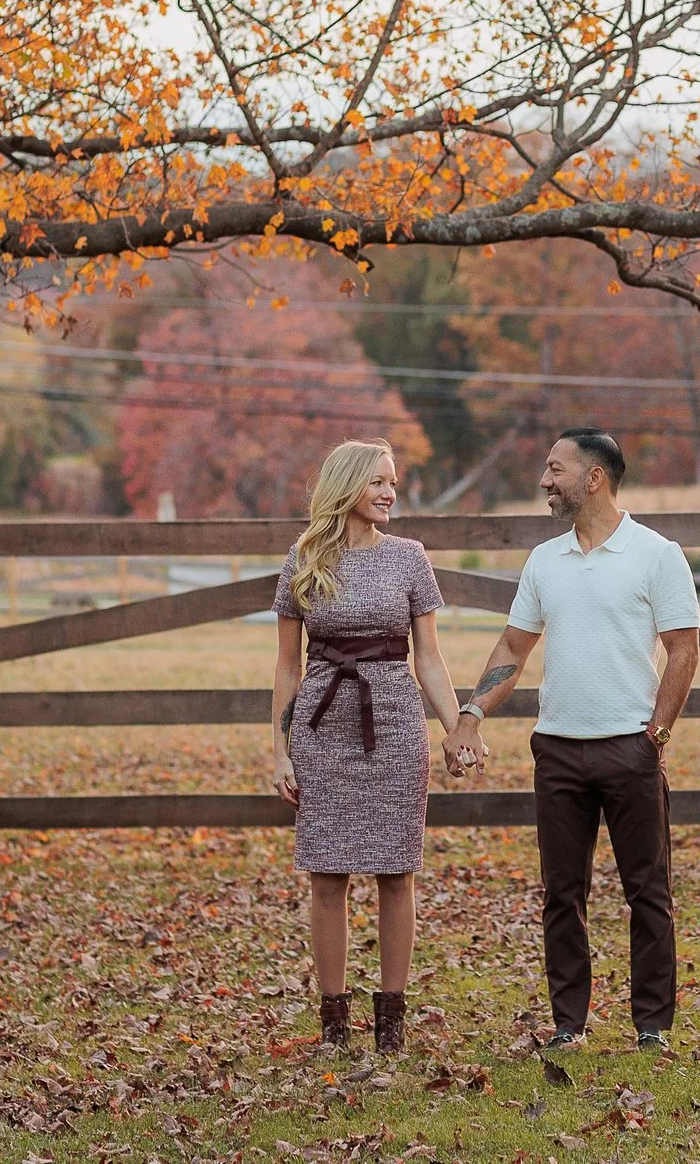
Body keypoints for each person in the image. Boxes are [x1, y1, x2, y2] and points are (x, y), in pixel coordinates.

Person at [444, 428, 700, 1053]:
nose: (543, 480)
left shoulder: (657, 555)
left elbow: (684, 649)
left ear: (594, 478)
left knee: (648, 891)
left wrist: (655, 735)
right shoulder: (544, 561)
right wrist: (471, 712)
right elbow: (513, 646)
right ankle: (569, 1024)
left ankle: (652, 1027)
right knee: (563, 893)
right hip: (557, 749)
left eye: (554, 468)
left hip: (629, 749)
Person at [269, 439, 468, 1054]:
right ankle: (333, 1022)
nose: (390, 493)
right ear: (347, 486)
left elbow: (429, 659)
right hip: (322, 726)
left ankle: (391, 1023)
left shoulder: (410, 558)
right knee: (326, 874)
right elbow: (285, 669)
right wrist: (278, 750)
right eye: (379, 481)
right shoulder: (303, 560)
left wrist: (459, 725)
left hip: (394, 722)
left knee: (396, 871)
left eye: (393, 483)